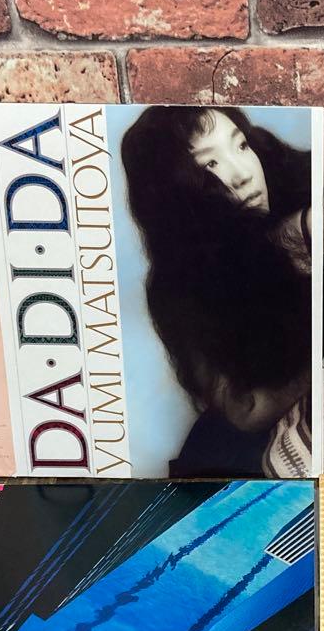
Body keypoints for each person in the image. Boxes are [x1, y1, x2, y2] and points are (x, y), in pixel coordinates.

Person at [121, 107, 313, 479]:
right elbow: (246, 410)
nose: (243, 173)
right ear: (176, 189)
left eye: (241, 146)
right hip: (235, 458)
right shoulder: (180, 283)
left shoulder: (296, 207)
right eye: (210, 163)